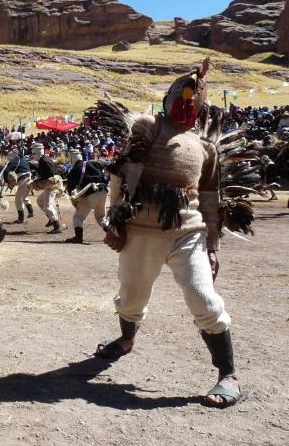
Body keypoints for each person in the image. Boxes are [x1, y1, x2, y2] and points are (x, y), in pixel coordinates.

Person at [96, 58, 245, 408]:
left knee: (204, 300)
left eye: (194, 98)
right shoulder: (147, 126)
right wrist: (116, 221)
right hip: (139, 231)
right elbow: (122, 172)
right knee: (131, 298)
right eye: (182, 94)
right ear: (168, 98)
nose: (187, 101)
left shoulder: (205, 148)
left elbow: (210, 199)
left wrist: (211, 245)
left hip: (188, 233)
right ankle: (126, 340)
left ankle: (228, 375)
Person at [64, 149, 108, 244]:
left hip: (90, 193)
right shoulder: (95, 163)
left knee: (78, 217)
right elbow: (105, 173)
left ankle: (78, 238)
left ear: (71, 158)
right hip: (103, 191)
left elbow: (71, 189)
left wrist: (75, 199)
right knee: (101, 216)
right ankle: (110, 231)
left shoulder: (75, 170)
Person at [30, 143, 62, 234]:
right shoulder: (43, 160)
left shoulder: (44, 161)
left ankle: (57, 226)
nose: (32, 155)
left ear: (37, 153)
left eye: (33, 153)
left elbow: (51, 177)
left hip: (52, 185)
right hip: (51, 184)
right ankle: (51, 218)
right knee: (40, 201)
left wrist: (37, 183)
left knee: (48, 206)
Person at [3, 146, 35, 224]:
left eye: (11, 155)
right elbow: (33, 167)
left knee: (18, 199)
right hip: (30, 180)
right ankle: (31, 212)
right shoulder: (25, 160)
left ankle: (21, 218)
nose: (10, 156)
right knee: (24, 197)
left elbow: (5, 172)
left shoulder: (13, 161)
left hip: (23, 180)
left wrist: (7, 182)